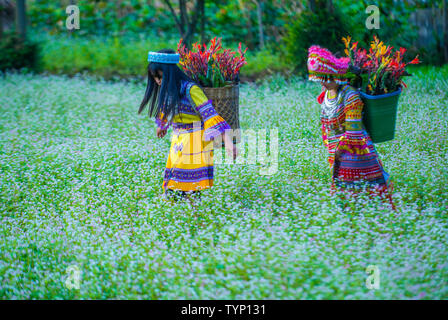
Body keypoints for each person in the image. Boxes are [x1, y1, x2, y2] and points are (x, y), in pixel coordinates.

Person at [138, 49, 237, 202]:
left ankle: (185, 208)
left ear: (171, 73)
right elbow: (167, 107)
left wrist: (229, 142)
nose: (157, 81)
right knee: (177, 176)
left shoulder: (191, 89)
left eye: (160, 77)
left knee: (183, 178)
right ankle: (187, 209)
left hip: (195, 139)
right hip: (178, 138)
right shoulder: (170, 90)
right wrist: (162, 125)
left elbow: (210, 115)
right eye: (155, 78)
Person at [307, 45, 394, 202]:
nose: (324, 83)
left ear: (336, 75)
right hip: (337, 151)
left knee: (366, 189)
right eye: (320, 79)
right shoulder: (326, 95)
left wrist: (340, 148)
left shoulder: (351, 96)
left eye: (327, 78)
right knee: (345, 195)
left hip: (356, 150)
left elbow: (354, 132)